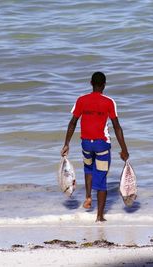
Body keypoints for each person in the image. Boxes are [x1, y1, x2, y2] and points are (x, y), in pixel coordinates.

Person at [61, 72, 129, 222]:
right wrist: (124, 149)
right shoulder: (109, 102)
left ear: (90, 82)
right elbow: (117, 127)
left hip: (86, 143)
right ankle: (99, 216)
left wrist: (66, 143)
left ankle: (88, 197)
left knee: (88, 169)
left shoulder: (81, 100)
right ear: (104, 84)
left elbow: (72, 122)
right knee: (102, 177)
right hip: (101, 144)